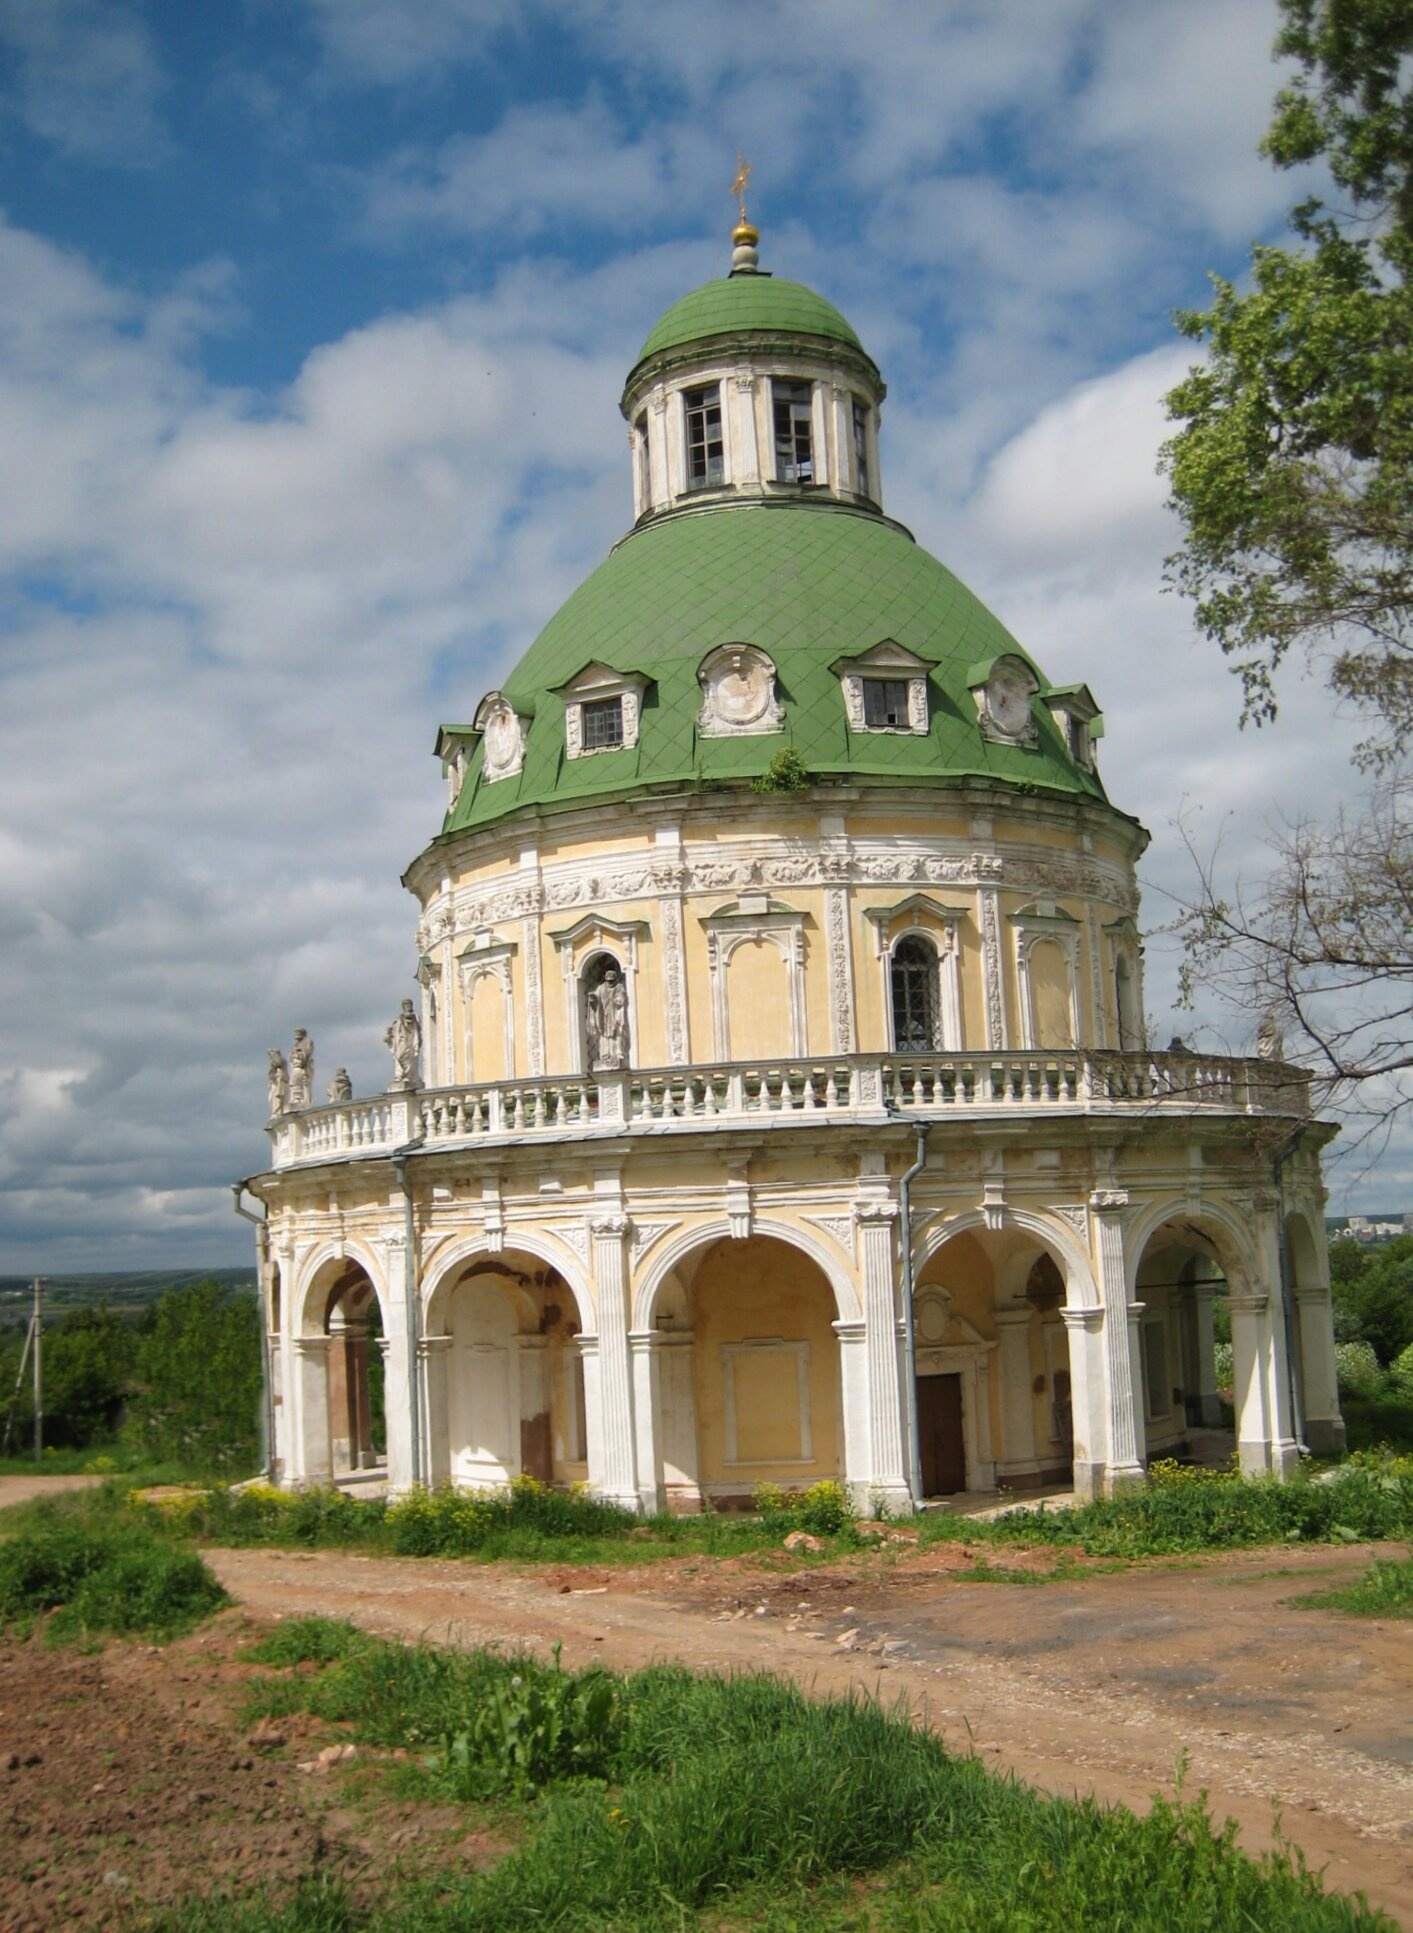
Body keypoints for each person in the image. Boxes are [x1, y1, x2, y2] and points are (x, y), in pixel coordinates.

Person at [586, 963, 629, 1071]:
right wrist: (593, 999)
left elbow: (621, 999)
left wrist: (616, 1000)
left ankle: (618, 1052)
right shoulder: (601, 988)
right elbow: (596, 998)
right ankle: (605, 1054)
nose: (610, 982)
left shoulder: (619, 987)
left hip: (615, 1014)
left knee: (618, 1032)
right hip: (604, 1016)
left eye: (611, 981)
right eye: (608, 981)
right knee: (604, 1034)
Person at [385, 997, 422, 1087]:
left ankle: (408, 1076)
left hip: (411, 1041)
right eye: (406, 1005)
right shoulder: (399, 1019)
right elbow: (394, 1030)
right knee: (399, 1056)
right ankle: (400, 1075)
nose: (408, 1006)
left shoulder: (415, 1017)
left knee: (410, 1059)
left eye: (409, 1004)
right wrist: (389, 1034)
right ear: (403, 1007)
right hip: (401, 1042)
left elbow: (418, 1028)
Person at [288, 1029, 314, 1109]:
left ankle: (300, 1100)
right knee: (294, 1083)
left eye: (298, 1033)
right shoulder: (296, 1044)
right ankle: (297, 1099)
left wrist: (299, 1055)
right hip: (296, 1067)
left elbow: (307, 1054)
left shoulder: (307, 1042)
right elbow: (291, 1057)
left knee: (302, 1084)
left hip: (302, 1068)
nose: (297, 1035)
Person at [267, 1048, 289, 1117]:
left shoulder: (280, 1061)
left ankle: (277, 1112)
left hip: (279, 1082)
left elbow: (278, 1063)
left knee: (277, 1098)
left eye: (272, 1055)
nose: (271, 1057)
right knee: (272, 1098)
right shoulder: (274, 1063)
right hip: (275, 1083)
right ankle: (276, 1112)